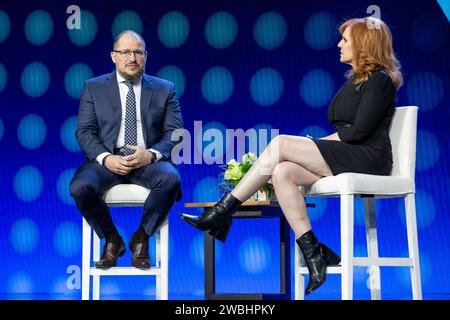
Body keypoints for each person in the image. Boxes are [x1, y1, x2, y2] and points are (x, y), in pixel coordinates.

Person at [180, 17, 402, 295]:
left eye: (345, 40)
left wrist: (311, 146)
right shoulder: (354, 81)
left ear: (364, 44)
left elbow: (358, 133)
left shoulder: (379, 80)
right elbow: (345, 132)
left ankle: (223, 212)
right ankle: (314, 253)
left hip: (369, 159)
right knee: (282, 170)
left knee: (281, 143)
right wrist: (313, 147)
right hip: (348, 153)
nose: (339, 44)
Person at [70, 30, 183, 270]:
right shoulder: (93, 87)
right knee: (80, 186)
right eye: (125, 52)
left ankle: (141, 238)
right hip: (107, 163)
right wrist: (105, 157)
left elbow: (175, 132)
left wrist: (150, 154)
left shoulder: (165, 89)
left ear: (145, 56)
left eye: (138, 52)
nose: (132, 57)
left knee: (170, 179)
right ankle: (112, 239)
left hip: (147, 162)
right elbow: (84, 131)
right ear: (113, 56)